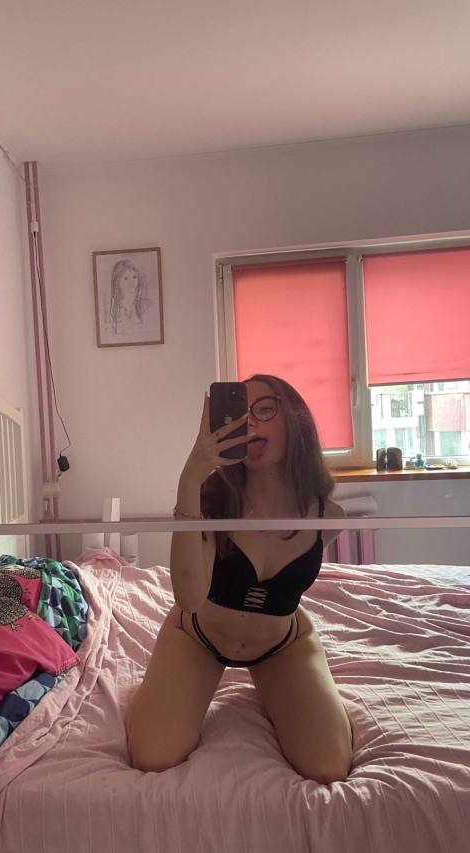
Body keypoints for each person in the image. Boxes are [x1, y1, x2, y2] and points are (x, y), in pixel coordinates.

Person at [125, 374, 353, 783]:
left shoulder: (327, 517)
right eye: (241, 413)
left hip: (282, 644)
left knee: (328, 766)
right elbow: (189, 598)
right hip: (199, 636)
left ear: (295, 420)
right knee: (153, 756)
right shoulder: (213, 503)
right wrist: (190, 479)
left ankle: (276, 690)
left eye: (264, 409)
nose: (250, 422)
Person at [108, 258, 151, 336]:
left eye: (134, 277)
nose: (131, 282)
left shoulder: (147, 305)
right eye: (125, 278)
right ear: (117, 282)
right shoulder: (112, 308)